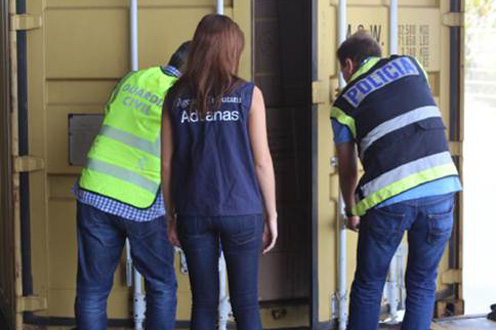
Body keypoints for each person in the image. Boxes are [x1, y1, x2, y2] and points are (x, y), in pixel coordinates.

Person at [331, 31, 462, 330]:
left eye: (342, 71)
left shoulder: (343, 104)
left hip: (389, 196)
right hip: (441, 186)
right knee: (422, 284)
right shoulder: (411, 65)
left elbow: (348, 168)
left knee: (368, 284)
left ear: (349, 65)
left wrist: (351, 209)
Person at [161, 14, 278, 330]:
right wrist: (272, 215)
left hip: (193, 212)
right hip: (242, 210)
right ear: (232, 51)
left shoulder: (174, 97)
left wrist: (171, 215)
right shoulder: (249, 94)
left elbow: (167, 163)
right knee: (246, 304)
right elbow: (262, 161)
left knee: (203, 303)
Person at [73, 41, 191, 330]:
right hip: (142, 202)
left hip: (96, 192)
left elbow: (111, 112)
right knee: (161, 286)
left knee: (92, 290)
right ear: (195, 67)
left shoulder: (133, 78)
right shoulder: (183, 96)